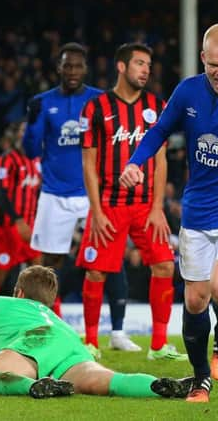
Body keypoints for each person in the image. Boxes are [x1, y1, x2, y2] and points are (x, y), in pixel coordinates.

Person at [120, 24, 218, 402]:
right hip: (199, 209)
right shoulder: (188, 91)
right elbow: (158, 131)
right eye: (213, 65)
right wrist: (136, 162)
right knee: (194, 300)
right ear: (203, 59)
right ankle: (200, 378)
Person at [76, 43, 186, 362]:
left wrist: (156, 208)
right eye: (139, 63)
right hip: (109, 204)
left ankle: (159, 346)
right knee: (96, 272)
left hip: (145, 206)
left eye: (148, 65)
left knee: (165, 264)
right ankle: (91, 343)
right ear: (121, 67)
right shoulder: (95, 108)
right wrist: (96, 212)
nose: (145, 70)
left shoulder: (157, 106)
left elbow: (161, 161)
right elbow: (88, 163)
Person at [23, 43, 134, 350]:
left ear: (85, 68)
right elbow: (31, 150)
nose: (72, 71)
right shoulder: (43, 103)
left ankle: (118, 333)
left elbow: (115, 143)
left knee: (111, 259)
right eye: (66, 66)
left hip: (93, 192)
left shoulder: (100, 100)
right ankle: (42, 323)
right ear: (58, 69)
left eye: (77, 66)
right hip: (55, 193)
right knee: (49, 263)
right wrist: (32, 124)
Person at [0, 265, 191, 399]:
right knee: (109, 381)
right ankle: (158, 386)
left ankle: (32, 387)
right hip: (70, 344)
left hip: (36, 340)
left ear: (20, 293)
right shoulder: (56, 318)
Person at [0, 122, 42, 304]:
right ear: (16, 135)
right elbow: (0, 194)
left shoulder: (37, 162)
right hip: (7, 229)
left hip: (30, 229)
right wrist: (18, 220)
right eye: (23, 130)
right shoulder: (6, 160)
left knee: (39, 274)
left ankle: (49, 320)